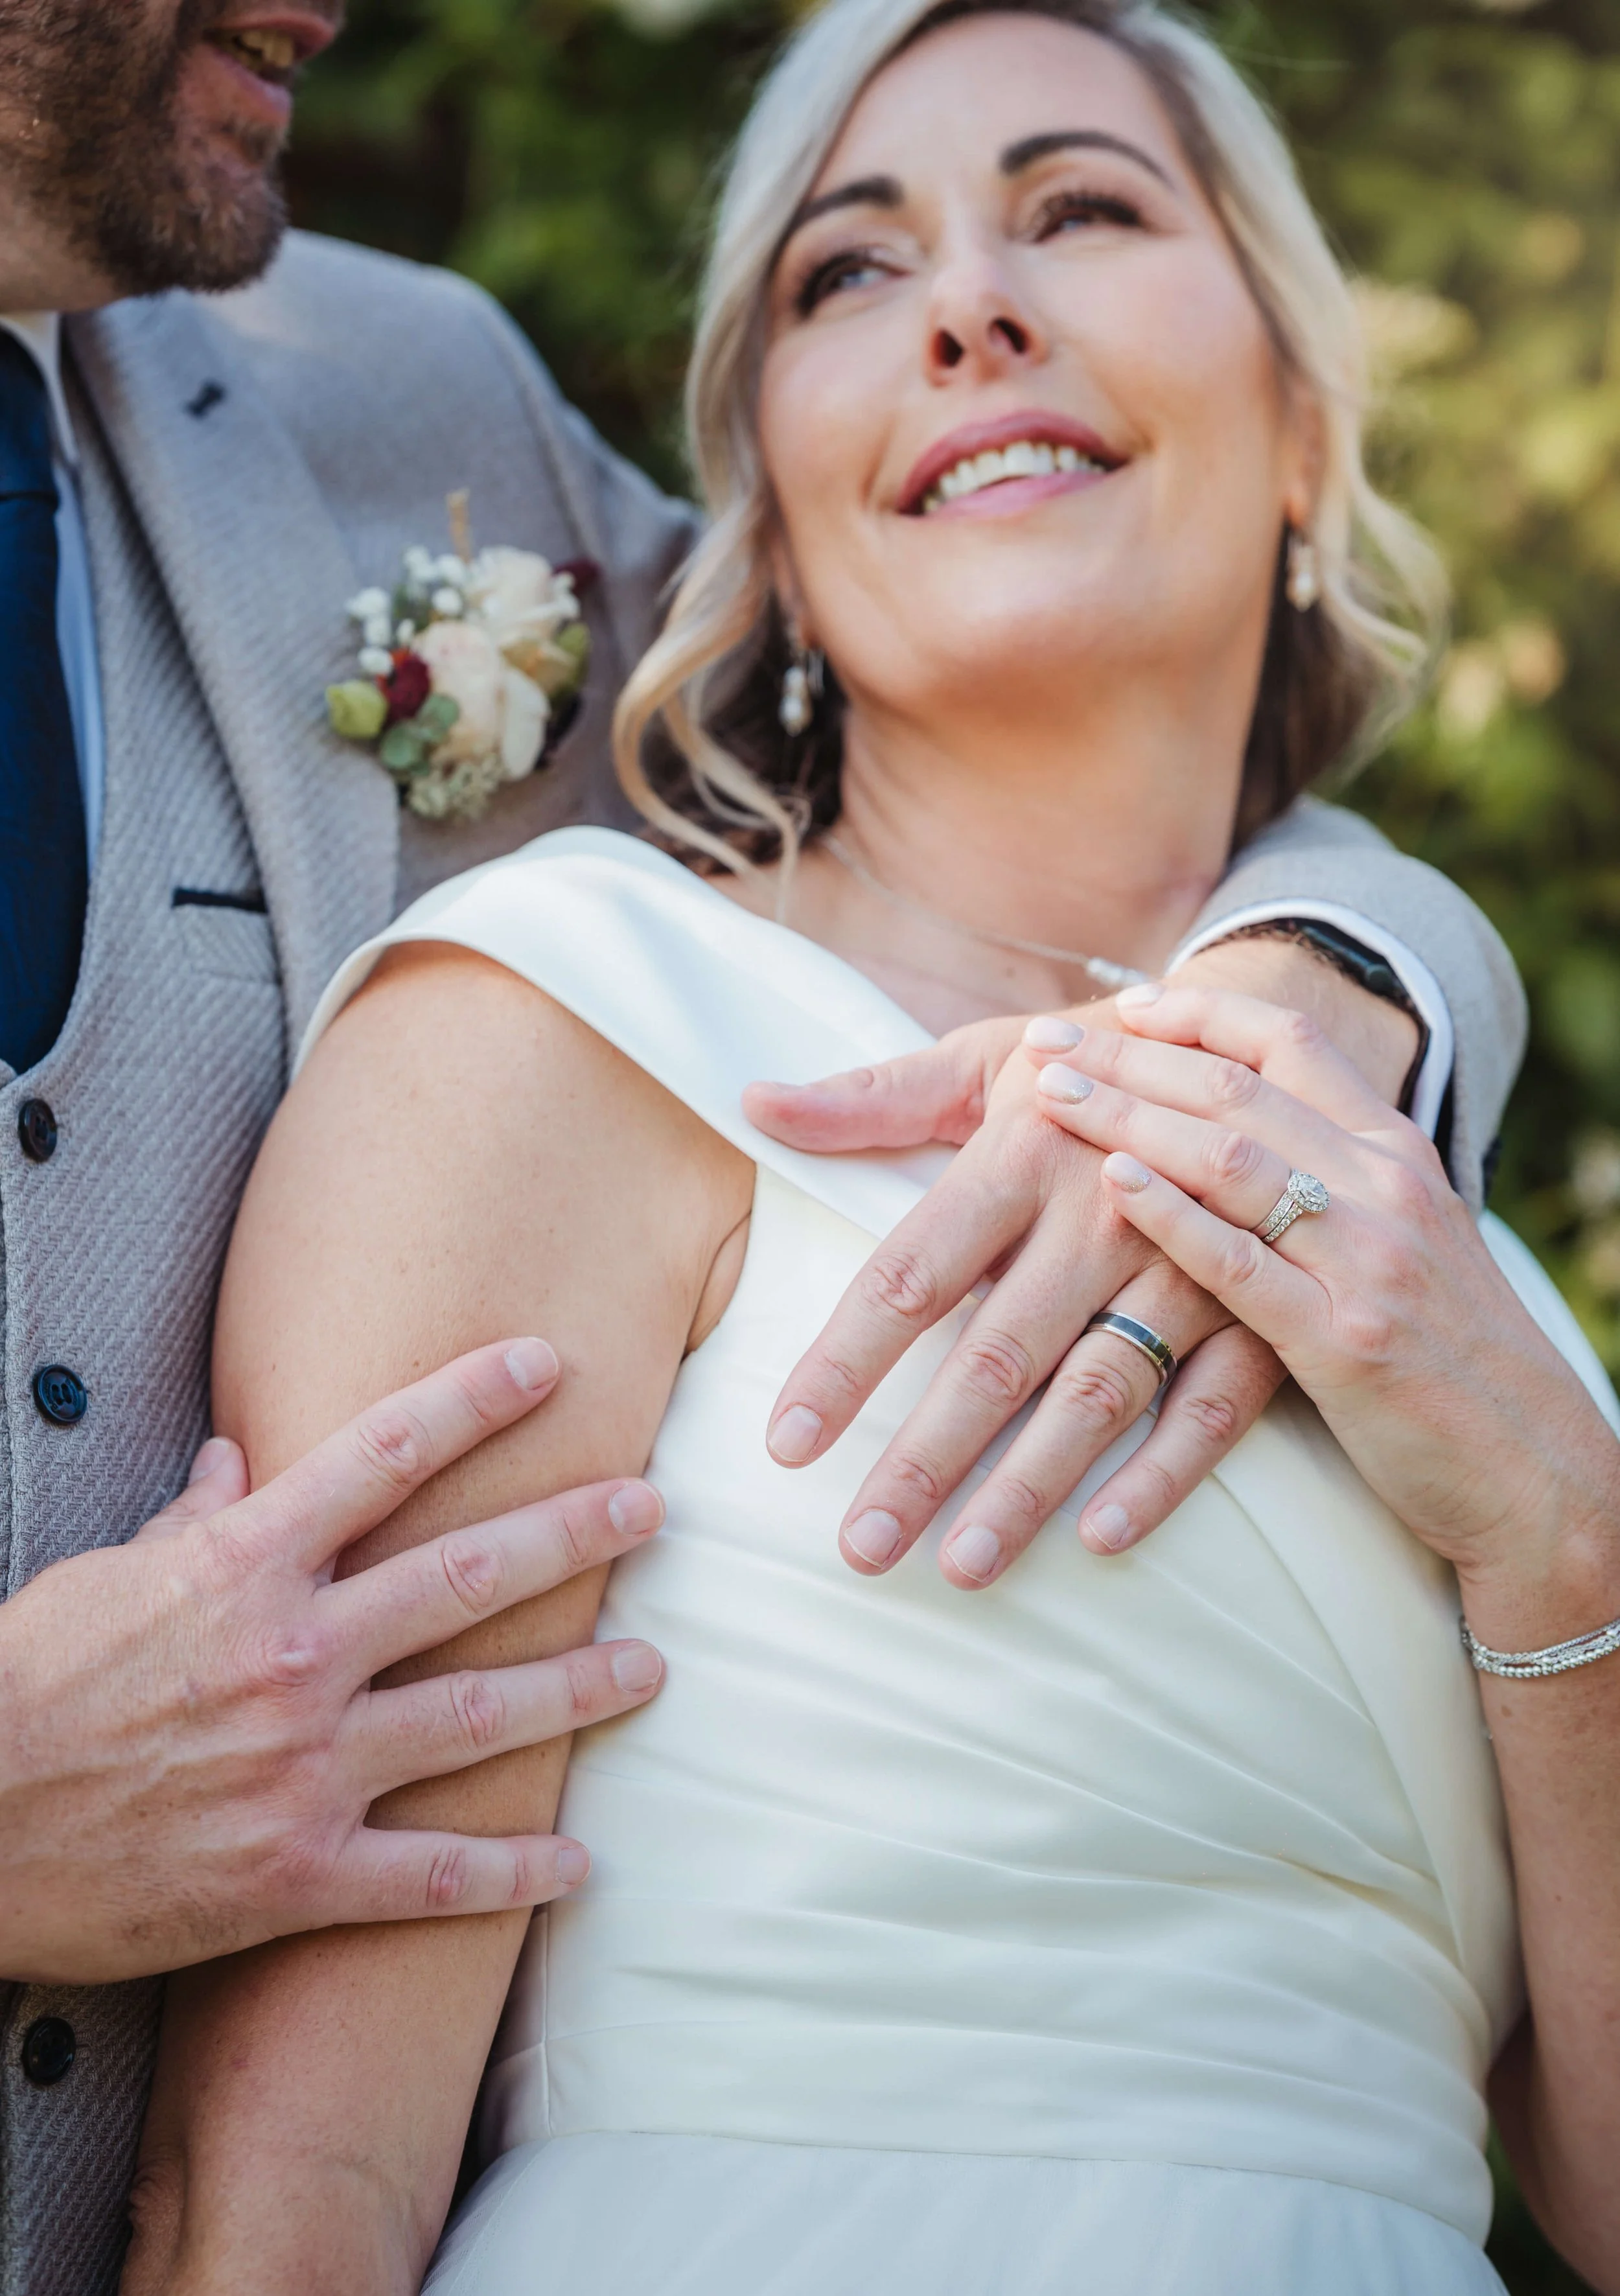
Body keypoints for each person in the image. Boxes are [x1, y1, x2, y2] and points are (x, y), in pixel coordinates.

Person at [0, 0, 1528, 2284]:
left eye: (1078, 210)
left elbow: (1015, 652)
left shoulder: (396, 401)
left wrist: (1343, 972)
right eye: (853, 263)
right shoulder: (534, 1027)